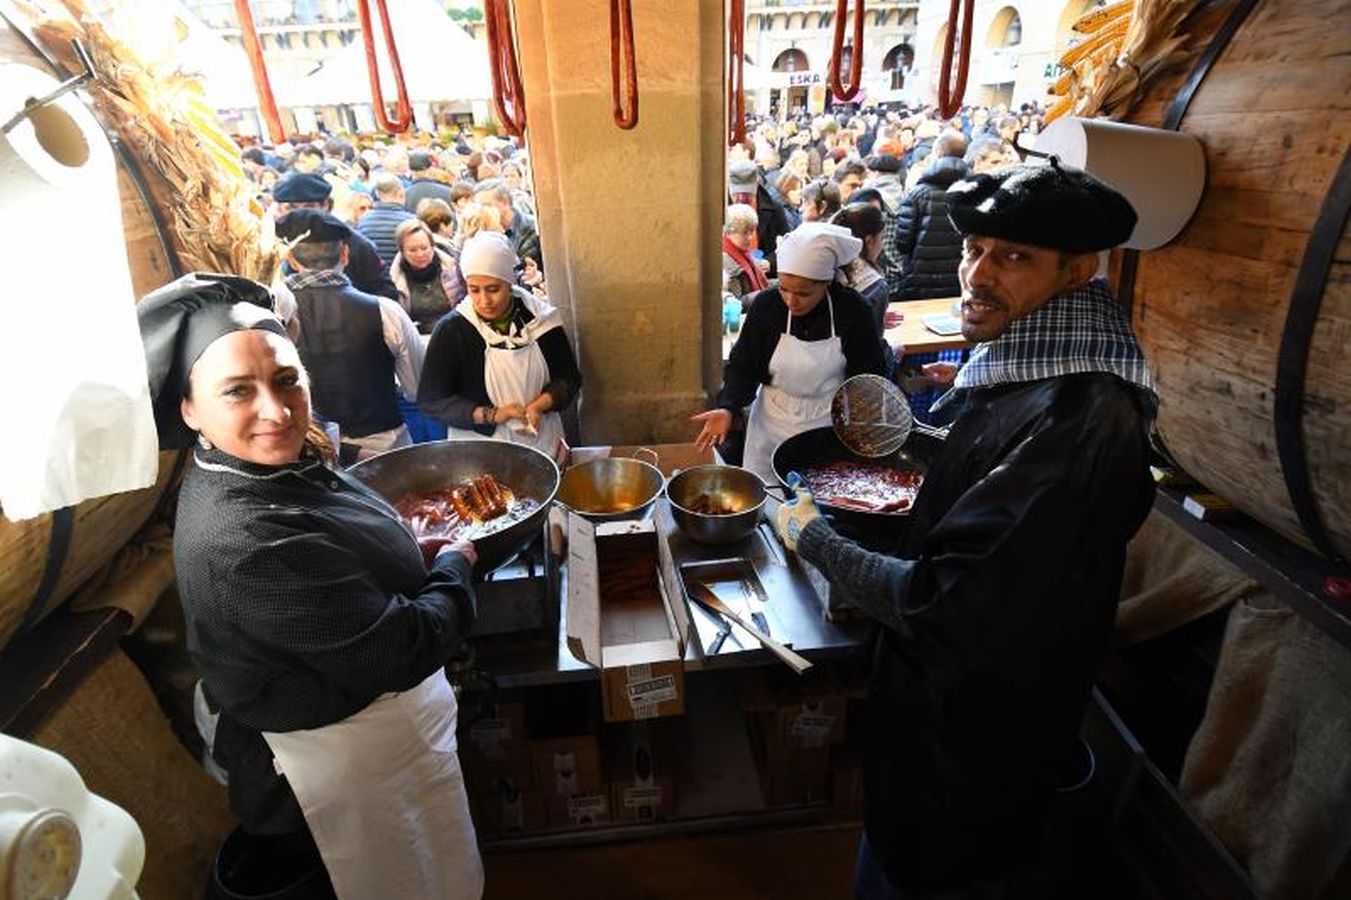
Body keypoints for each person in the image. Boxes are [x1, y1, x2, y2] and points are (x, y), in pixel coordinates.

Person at [775, 161, 1155, 899]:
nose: (977, 274)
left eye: (1012, 258)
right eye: (975, 248)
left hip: (977, 738)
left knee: (929, 872)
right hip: (932, 725)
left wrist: (812, 537)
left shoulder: (1080, 415)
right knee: (892, 850)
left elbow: (937, 603)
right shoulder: (1027, 365)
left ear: (1077, 270)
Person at [137, 273, 483, 900]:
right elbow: (398, 651)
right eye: (238, 391)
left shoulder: (273, 465)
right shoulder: (244, 542)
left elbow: (340, 541)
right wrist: (456, 565)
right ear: (189, 409)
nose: (275, 409)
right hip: (330, 775)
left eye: (287, 380)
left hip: (378, 742)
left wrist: (412, 551)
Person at [692, 222, 888, 483]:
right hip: (772, 425)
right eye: (784, 289)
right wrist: (728, 407)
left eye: (804, 293)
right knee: (769, 501)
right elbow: (744, 365)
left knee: (817, 503)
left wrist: (865, 418)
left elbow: (869, 372)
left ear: (826, 283)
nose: (791, 301)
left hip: (828, 425)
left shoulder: (851, 310)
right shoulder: (766, 307)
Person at [418, 232, 580, 459]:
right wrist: (491, 415)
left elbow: (569, 378)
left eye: (493, 289)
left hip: (543, 442)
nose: (484, 300)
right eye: (474, 289)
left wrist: (539, 405)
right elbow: (432, 400)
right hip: (481, 451)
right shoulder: (453, 329)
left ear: (510, 283)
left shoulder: (541, 320)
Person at [277, 210, 424, 458]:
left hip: (309, 454)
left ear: (291, 259)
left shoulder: (271, 315)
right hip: (384, 452)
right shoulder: (384, 310)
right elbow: (416, 387)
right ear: (345, 254)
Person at [271, 172, 397, 301]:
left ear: (325, 205)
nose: (301, 214)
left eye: (309, 206)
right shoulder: (271, 246)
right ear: (279, 209)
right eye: (291, 207)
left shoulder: (355, 244)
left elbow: (386, 291)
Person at [893, 130, 970, 300]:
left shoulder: (919, 194)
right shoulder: (976, 191)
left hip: (920, 280)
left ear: (937, 153)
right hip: (961, 279)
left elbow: (902, 243)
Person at [391, 218, 464, 334]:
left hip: (456, 332)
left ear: (432, 246)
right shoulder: (395, 280)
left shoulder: (453, 268)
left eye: (424, 248)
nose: (420, 254)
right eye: (412, 250)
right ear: (402, 251)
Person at [473, 178, 542, 268]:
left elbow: (515, 269)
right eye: (478, 207)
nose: (480, 211)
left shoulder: (531, 228)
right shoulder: (481, 230)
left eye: (486, 206)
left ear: (505, 203)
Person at [356, 173, 416, 264]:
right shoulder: (411, 221)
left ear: (377, 194)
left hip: (373, 273)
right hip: (401, 273)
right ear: (401, 193)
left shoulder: (363, 220)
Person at [721, 203, 770, 300]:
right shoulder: (724, 261)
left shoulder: (743, 253)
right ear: (729, 232)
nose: (750, 237)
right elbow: (736, 304)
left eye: (752, 231)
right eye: (745, 233)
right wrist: (765, 295)